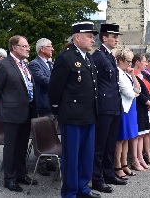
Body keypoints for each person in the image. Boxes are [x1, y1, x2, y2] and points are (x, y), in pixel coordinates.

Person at [48, 22, 100, 198]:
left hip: (89, 115)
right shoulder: (66, 58)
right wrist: (57, 110)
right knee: (72, 158)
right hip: (72, 117)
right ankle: (70, 193)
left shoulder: (88, 58)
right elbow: (55, 88)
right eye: (89, 36)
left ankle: (82, 188)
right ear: (77, 37)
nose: (93, 39)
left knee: (86, 156)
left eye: (93, 37)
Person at [0, 35, 38, 192]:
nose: (28, 48)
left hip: (26, 111)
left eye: (27, 45)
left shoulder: (25, 65)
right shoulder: (3, 65)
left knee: (22, 145)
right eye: (24, 46)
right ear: (14, 48)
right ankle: (9, 178)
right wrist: (0, 109)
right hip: (11, 113)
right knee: (11, 147)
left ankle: (21, 174)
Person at [92, 23, 126, 194]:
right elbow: (95, 84)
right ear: (105, 38)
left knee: (110, 143)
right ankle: (97, 179)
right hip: (104, 107)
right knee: (100, 145)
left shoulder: (110, 56)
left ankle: (109, 172)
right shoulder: (98, 57)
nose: (117, 39)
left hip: (114, 105)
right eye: (114, 36)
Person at [28, 38, 57, 176]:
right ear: (42, 49)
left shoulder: (51, 64)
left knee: (52, 134)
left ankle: (50, 159)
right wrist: (59, 81)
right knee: (41, 136)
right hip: (43, 106)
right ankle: (41, 163)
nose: (52, 49)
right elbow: (43, 80)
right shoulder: (34, 64)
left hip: (53, 106)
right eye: (50, 46)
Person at [114, 48, 140, 179]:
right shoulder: (117, 72)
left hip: (130, 107)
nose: (130, 64)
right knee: (120, 139)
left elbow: (137, 89)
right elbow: (129, 93)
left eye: (131, 61)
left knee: (127, 138)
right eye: (128, 61)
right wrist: (134, 94)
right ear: (120, 60)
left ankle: (124, 164)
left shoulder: (126, 73)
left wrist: (133, 75)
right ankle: (117, 165)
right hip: (124, 108)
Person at [130, 53, 150, 170]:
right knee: (138, 135)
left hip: (144, 107)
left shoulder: (141, 75)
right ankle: (136, 159)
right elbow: (138, 93)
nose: (146, 63)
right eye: (144, 61)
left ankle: (140, 158)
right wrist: (149, 102)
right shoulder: (133, 75)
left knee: (142, 134)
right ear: (137, 62)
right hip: (138, 106)